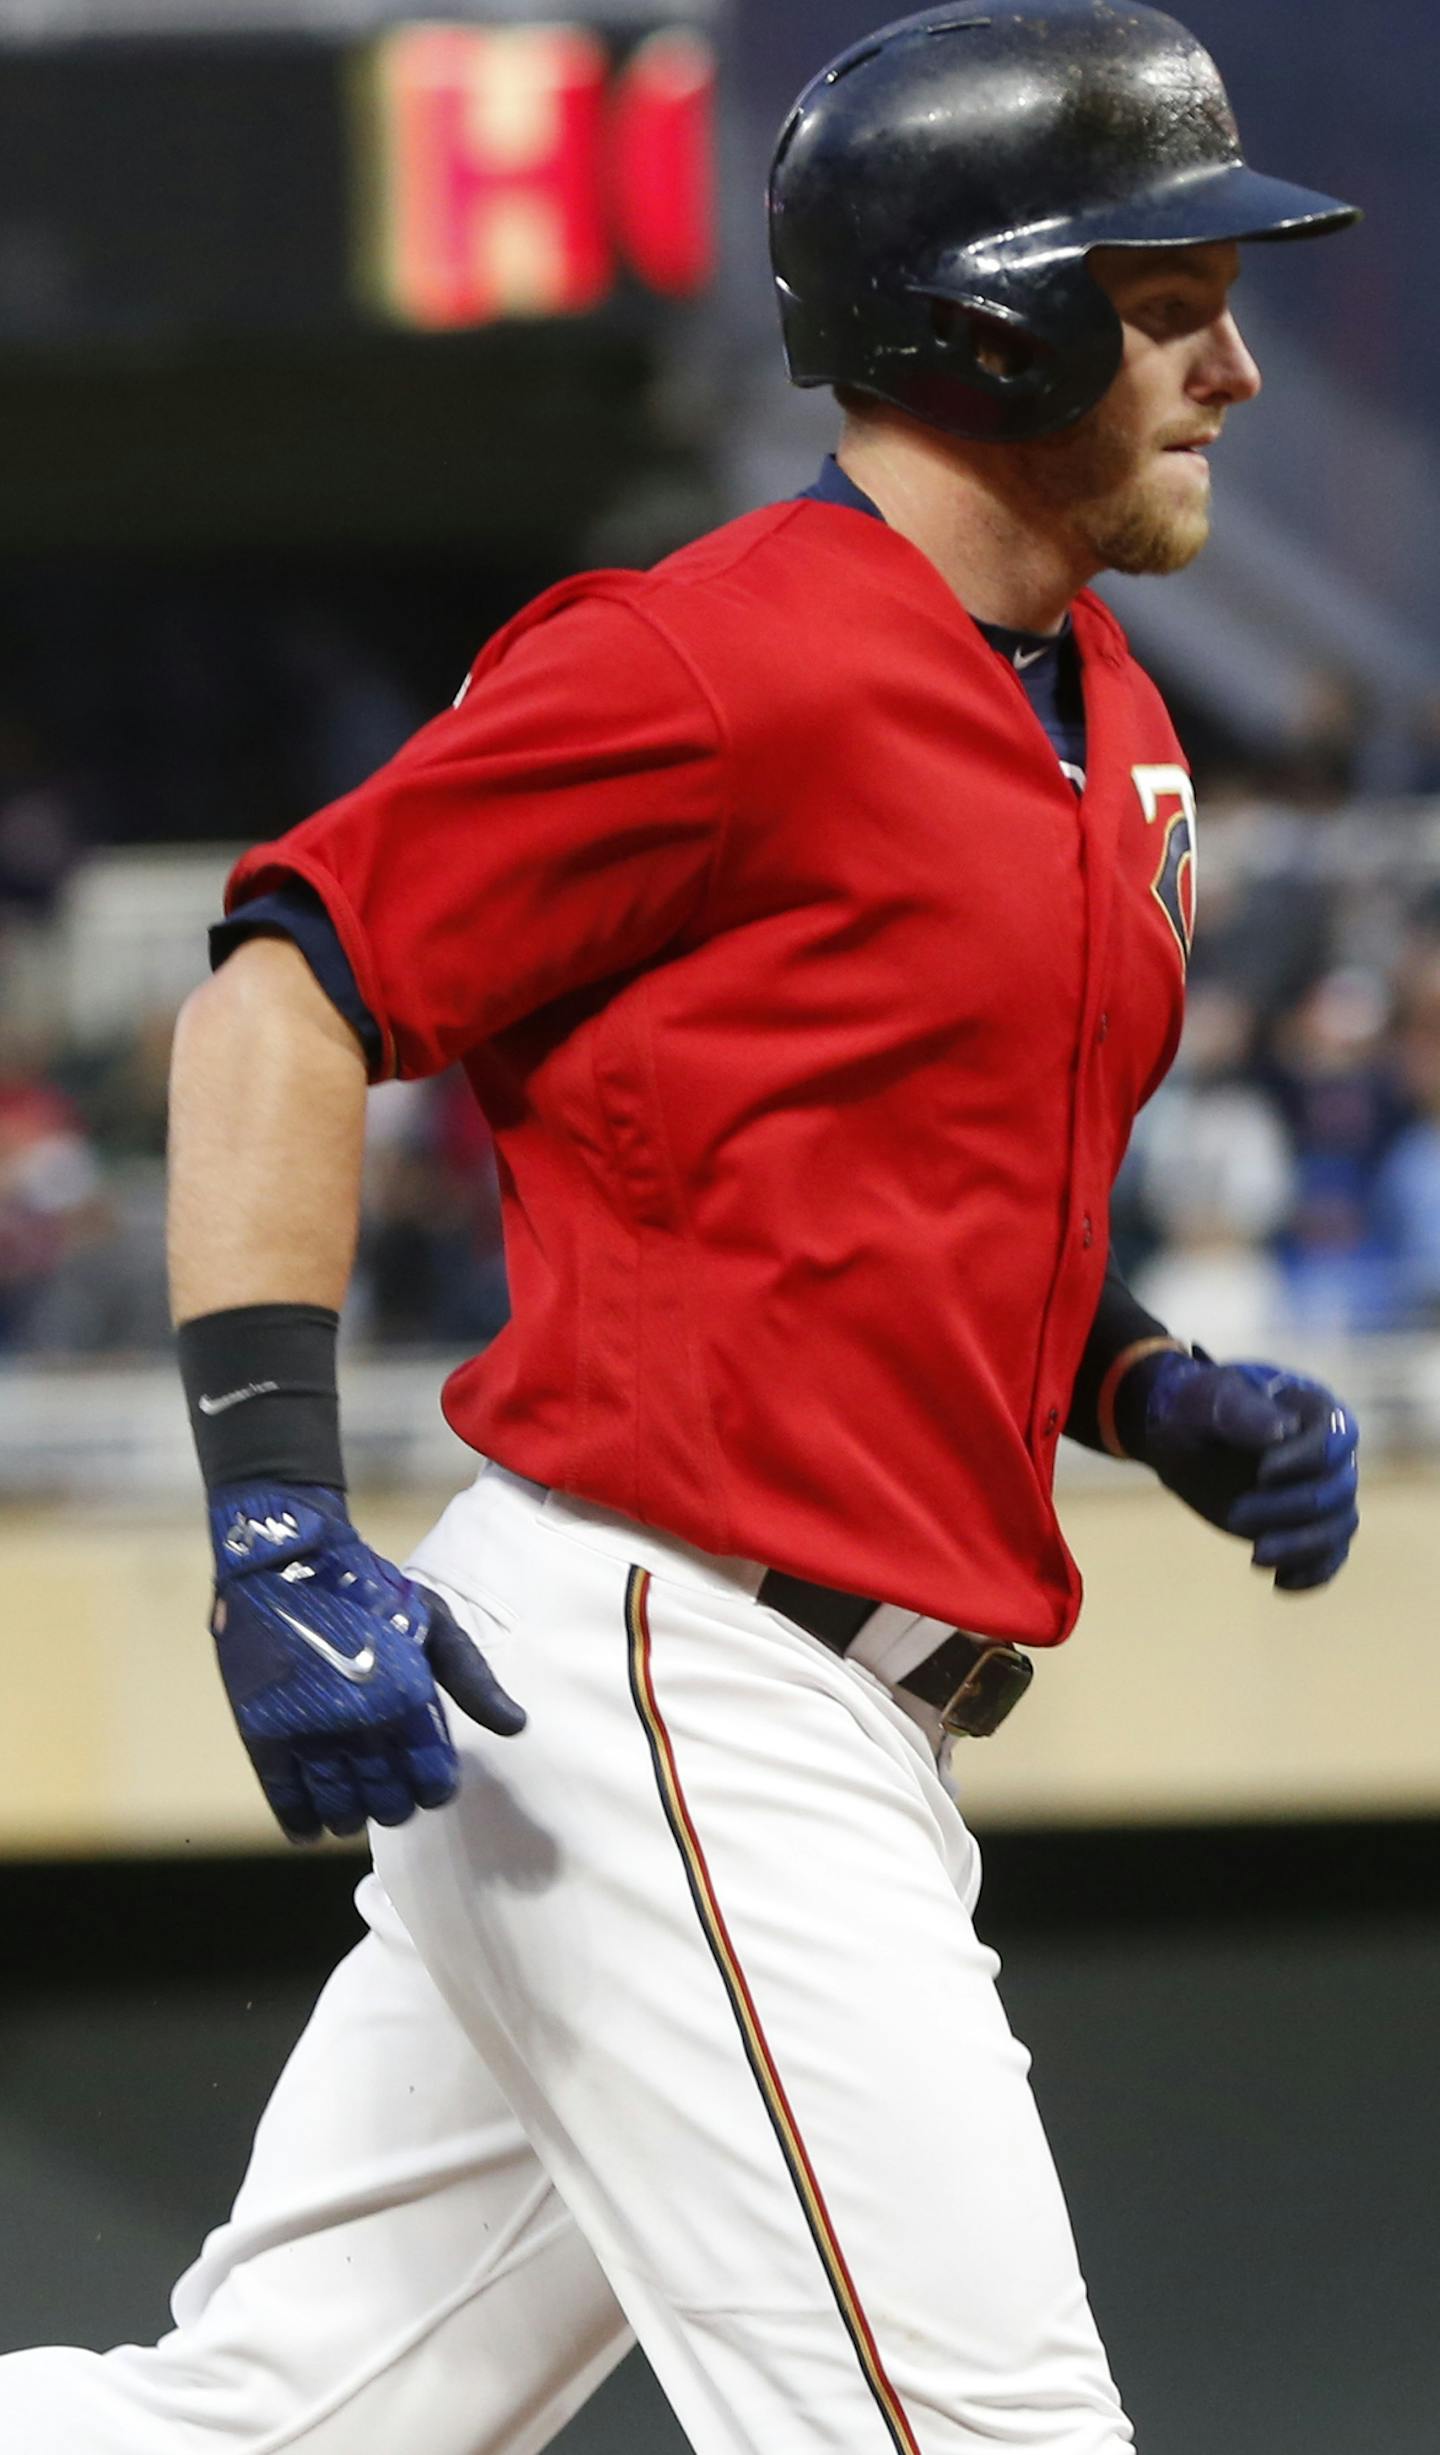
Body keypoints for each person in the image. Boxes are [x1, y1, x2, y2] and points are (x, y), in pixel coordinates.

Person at [2, 6, 1363, 2450]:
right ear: (991, 320)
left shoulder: (1116, 711)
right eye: (1172, 306)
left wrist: (1145, 1379)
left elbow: (883, 1169)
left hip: (779, 1689)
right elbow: (279, 998)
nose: (1238, 367)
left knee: (272, 2426)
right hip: (686, 1664)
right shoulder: (711, 660)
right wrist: (276, 1512)